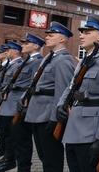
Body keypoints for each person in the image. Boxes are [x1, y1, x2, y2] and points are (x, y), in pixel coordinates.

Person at [55, 16, 99, 172]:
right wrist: (61, 104)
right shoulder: (83, 62)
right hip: (73, 129)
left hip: (91, 133)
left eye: (87, 32)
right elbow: (71, 87)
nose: (81, 36)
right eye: (82, 32)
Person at [24, 22, 75, 172]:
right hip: (37, 112)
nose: (47, 37)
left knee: (51, 157)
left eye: (51, 35)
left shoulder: (63, 60)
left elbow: (62, 92)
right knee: (43, 155)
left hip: (47, 116)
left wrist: (56, 118)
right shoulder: (49, 58)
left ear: (62, 39)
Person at [8, 33, 45, 172]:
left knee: (22, 140)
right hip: (18, 104)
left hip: (26, 106)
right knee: (15, 138)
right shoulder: (27, 61)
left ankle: (24, 168)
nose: (22, 45)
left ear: (36, 46)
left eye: (26, 43)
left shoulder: (37, 62)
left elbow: (34, 85)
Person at [0, 41, 24, 172]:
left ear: (15, 51)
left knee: (11, 135)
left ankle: (9, 159)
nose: (6, 52)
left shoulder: (18, 65)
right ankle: (5, 155)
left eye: (9, 50)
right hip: (4, 103)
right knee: (5, 133)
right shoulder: (11, 65)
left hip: (11, 105)